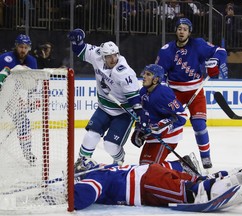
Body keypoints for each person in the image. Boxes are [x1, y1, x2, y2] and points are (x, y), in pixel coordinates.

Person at [155, 18, 228, 169]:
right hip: (174, 92)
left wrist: (215, 61)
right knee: (168, 124)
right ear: (176, 30)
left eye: (185, 29)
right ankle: (158, 156)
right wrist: (161, 89)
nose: (182, 31)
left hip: (195, 90)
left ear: (189, 32)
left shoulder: (198, 44)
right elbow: (158, 74)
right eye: (179, 28)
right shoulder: (166, 50)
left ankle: (206, 157)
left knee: (199, 124)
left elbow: (221, 51)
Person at [67, 29, 142, 171]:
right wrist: (76, 42)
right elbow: (81, 49)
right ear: (103, 57)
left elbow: (135, 100)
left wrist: (139, 116)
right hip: (104, 108)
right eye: (109, 56)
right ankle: (81, 163)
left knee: (110, 145)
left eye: (115, 55)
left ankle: (119, 160)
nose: (113, 59)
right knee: (91, 135)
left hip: (123, 113)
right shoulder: (97, 55)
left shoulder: (124, 72)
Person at [73, 160, 242, 211]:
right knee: (199, 181)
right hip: (153, 173)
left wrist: (67, 196)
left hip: (147, 184)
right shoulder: (107, 168)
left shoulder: (96, 176)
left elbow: (86, 194)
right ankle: (238, 174)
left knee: (194, 194)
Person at [130, 64, 189, 165]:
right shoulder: (144, 91)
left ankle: (181, 167)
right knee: (144, 167)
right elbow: (144, 114)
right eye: (144, 73)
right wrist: (139, 129)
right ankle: (180, 165)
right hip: (153, 135)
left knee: (152, 169)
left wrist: (163, 125)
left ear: (156, 79)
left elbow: (182, 115)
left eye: (148, 74)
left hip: (168, 136)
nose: (144, 76)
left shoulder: (163, 94)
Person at [0, 34, 38, 165]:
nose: (23, 50)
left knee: (23, 122)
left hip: (13, 97)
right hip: (1, 94)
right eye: (21, 46)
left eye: (25, 47)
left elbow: (33, 83)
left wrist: (33, 98)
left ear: (29, 48)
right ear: (16, 46)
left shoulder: (32, 61)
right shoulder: (6, 58)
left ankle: (27, 152)